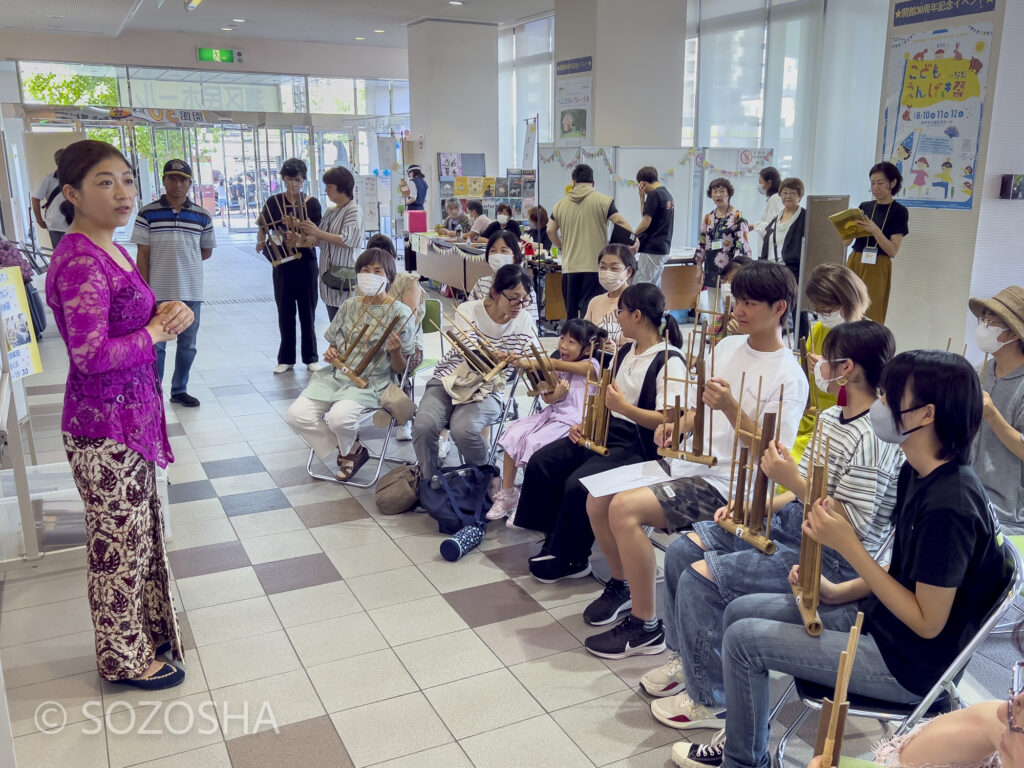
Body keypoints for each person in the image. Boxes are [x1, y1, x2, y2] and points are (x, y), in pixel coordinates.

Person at [673, 350, 1005, 768]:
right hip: (882, 623)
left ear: (926, 415)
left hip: (909, 665)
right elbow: (903, 573)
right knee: (738, 611)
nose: (879, 404)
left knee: (743, 642)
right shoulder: (917, 471)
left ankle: (743, 761)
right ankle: (745, 740)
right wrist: (836, 592)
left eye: (889, 396)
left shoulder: (950, 506)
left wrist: (848, 547)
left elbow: (927, 621)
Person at [643, 321, 902, 731]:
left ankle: (710, 701)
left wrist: (791, 478)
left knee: (700, 579)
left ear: (847, 367)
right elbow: (806, 493)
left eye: (826, 359)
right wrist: (756, 506)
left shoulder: (874, 436)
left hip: (832, 557)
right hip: (796, 524)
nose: (818, 363)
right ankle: (691, 661)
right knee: (681, 551)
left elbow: (847, 524)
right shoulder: (834, 416)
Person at [581, 261, 809, 660]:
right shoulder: (726, 347)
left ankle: (646, 625)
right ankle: (622, 585)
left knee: (624, 509)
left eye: (750, 302)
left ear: (779, 308)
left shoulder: (790, 376)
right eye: (737, 300)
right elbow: (696, 411)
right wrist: (677, 427)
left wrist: (732, 408)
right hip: (688, 463)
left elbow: (774, 458)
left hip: (730, 484)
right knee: (597, 498)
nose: (738, 310)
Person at [45, 139, 195, 690]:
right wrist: (154, 332)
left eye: (128, 180)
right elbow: (89, 356)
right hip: (102, 426)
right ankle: (121, 659)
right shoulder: (82, 258)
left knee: (138, 537)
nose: (123, 193)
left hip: (128, 420)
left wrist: (163, 312)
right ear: (72, 193)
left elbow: (123, 315)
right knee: (116, 547)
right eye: (105, 182)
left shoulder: (111, 246)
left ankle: (144, 632)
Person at [510, 283, 685, 582]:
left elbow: (668, 423)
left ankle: (572, 558)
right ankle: (556, 538)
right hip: (605, 430)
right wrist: (585, 425)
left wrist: (624, 408)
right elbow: (606, 401)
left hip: (639, 443)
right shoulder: (627, 351)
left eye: (621, 312)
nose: (616, 318)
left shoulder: (670, 360)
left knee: (580, 483)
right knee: (544, 461)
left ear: (638, 316)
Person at [286, 247, 416, 481]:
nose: (370, 275)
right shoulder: (349, 306)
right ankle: (351, 451)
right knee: (296, 415)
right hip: (337, 375)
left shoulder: (400, 312)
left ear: (389, 277)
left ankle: (349, 451)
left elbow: (401, 370)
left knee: (339, 417)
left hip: (372, 382)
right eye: (365, 270)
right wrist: (332, 352)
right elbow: (334, 345)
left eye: (377, 271)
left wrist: (395, 352)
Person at [412, 264, 537, 480]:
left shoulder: (524, 320)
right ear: (496, 293)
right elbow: (470, 351)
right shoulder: (469, 309)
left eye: (525, 299)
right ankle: (429, 481)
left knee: (464, 429)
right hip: (449, 379)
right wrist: (494, 356)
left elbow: (533, 358)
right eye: (514, 298)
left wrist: (521, 361)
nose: (519, 305)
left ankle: (483, 479)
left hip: (487, 389)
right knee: (424, 425)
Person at [487, 318, 606, 519]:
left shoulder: (592, 365)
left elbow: (557, 363)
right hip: (552, 416)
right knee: (514, 433)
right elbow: (549, 398)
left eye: (571, 342)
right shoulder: (562, 365)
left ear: (586, 349)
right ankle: (508, 494)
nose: (562, 345)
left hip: (574, 424)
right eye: (562, 338)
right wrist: (556, 394)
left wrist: (532, 360)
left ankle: (530, 502)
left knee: (535, 444)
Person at [131, 159, 215, 408]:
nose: (177, 184)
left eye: (183, 179)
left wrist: (184, 261)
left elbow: (205, 251)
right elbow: (142, 253)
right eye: (172, 178)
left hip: (191, 291)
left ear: (190, 183)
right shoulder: (148, 213)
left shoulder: (202, 215)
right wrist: (144, 289)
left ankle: (179, 389)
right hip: (157, 292)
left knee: (187, 345)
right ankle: (153, 391)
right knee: (156, 345)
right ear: (164, 180)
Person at [790, 264, 871, 461]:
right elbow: (803, 378)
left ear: (847, 301)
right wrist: (809, 368)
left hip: (845, 423)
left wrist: (832, 374)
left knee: (793, 463)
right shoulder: (818, 329)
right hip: (809, 416)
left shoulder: (869, 338)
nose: (819, 312)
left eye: (826, 308)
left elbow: (866, 396)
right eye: (817, 306)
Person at [257, 158, 323, 374]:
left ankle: (311, 357)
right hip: (282, 264)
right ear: (284, 179)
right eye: (293, 178)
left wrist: (301, 236)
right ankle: (286, 358)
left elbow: (317, 235)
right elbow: (262, 226)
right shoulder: (273, 202)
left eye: (300, 178)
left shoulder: (311, 203)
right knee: (284, 310)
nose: (297, 182)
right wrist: (260, 240)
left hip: (306, 263)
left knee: (308, 310)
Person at [548, 163, 637, 319]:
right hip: (595, 268)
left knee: (571, 315)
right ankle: (592, 343)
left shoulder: (559, 205)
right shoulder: (603, 201)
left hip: (570, 267)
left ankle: (573, 342)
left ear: (573, 182)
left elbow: (550, 230)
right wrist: (631, 242)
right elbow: (622, 224)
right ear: (593, 183)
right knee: (592, 313)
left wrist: (562, 245)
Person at [969, 285, 1024, 532]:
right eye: (984, 319)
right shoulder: (978, 372)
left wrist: (992, 415)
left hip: (1008, 515)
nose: (984, 326)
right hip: (968, 498)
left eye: (992, 322)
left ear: (1013, 334)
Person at [844, 161, 910, 324]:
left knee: (870, 313)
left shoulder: (899, 211)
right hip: (855, 260)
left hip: (878, 264)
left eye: (880, 183)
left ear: (892, 183)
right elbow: (846, 242)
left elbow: (892, 251)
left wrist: (875, 230)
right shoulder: (864, 206)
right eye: (872, 183)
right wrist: (845, 226)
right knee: (847, 306)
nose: (876, 188)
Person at [298, 166, 363, 321]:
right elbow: (319, 239)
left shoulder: (353, 210)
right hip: (328, 278)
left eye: (330, 187)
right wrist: (299, 238)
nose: (326, 190)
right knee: (334, 327)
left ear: (342, 187)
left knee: (347, 328)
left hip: (344, 279)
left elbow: (346, 240)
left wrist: (317, 232)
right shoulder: (330, 211)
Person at [695, 178, 752, 302]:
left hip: (731, 270)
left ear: (729, 194)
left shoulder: (737, 217)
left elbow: (741, 246)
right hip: (711, 268)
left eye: (722, 191)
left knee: (730, 303)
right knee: (713, 304)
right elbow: (701, 243)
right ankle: (713, 322)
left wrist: (736, 271)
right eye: (714, 191)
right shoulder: (707, 218)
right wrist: (699, 268)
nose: (718, 195)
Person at [469, 231, 539, 326]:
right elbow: (469, 314)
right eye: (493, 251)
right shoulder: (482, 282)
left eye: (504, 251)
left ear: (514, 256)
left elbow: (531, 324)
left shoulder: (524, 286)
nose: (497, 255)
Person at [584, 243, 636, 348]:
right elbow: (584, 336)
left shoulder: (638, 301)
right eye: (602, 267)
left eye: (614, 268)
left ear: (628, 271)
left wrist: (618, 351)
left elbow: (644, 341)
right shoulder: (595, 302)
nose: (607, 272)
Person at [633, 166, 676, 287]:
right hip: (663, 248)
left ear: (642, 183)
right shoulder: (666, 194)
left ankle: (638, 306)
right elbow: (646, 216)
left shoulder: (654, 194)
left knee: (640, 285)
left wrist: (633, 235)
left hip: (652, 247)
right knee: (653, 286)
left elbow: (645, 222)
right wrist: (642, 198)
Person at [32, 148, 68, 249]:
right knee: (61, 256)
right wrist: (39, 220)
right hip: (56, 224)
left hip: (76, 222)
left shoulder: (76, 178)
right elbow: (35, 198)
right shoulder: (48, 179)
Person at [750, 166, 783, 258]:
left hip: (769, 250)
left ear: (769, 182)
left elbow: (770, 226)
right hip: (766, 248)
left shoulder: (775, 198)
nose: (760, 185)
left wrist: (754, 226)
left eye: (761, 182)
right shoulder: (774, 198)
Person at [402, 165, 428, 272]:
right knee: (420, 238)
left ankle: (412, 266)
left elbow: (413, 198)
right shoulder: (424, 183)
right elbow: (425, 200)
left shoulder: (412, 182)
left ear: (412, 172)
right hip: (421, 211)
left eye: (409, 173)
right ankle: (421, 266)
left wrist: (403, 203)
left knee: (411, 238)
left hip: (412, 211)